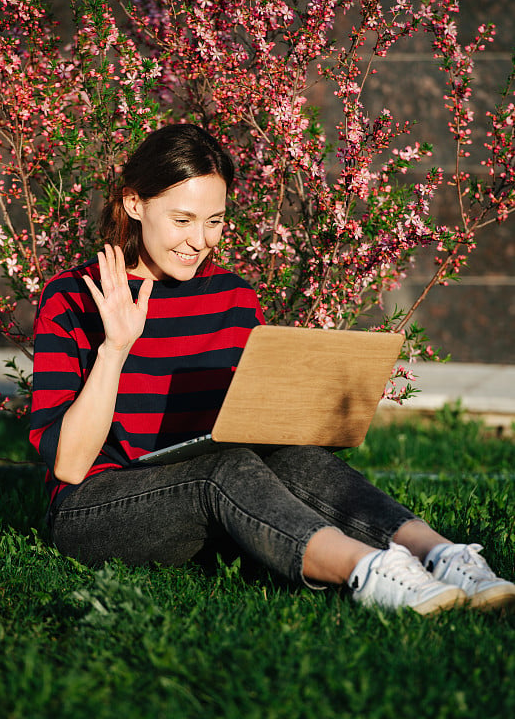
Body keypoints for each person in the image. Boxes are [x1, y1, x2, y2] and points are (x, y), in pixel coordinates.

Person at [30, 123, 515, 615]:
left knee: (295, 458)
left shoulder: (232, 296)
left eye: (214, 222)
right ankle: (372, 571)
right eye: (182, 220)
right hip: (95, 509)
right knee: (224, 468)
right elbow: (70, 466)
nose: (199, 241)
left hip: (208, 495)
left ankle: (444, 556)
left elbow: (256, 424)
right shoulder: (71, 298)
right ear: (135, 204)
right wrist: (115, 347)